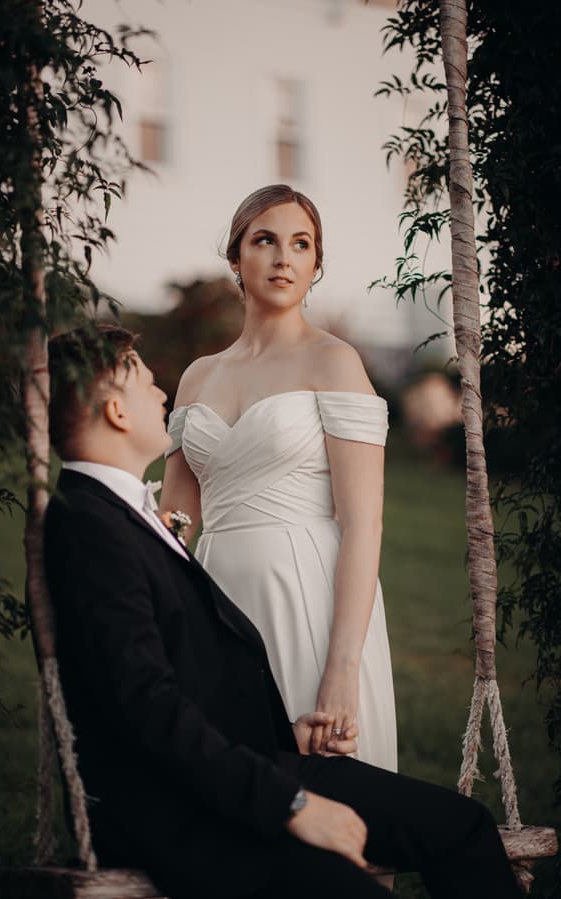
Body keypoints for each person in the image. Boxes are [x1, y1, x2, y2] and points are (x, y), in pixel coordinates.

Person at [44, 323, 521, 899]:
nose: (162, 393)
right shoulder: (89, 527)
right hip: (184, 812)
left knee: (462, 826)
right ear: (116, 410)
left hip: (250, 760)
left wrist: (286, 740)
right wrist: (291, 802)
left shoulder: (122, 515)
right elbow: (146, 705)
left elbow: (179, 673)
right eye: (146, 382)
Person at [161, 184, 396, 770]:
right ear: (236, 257)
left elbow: (363, 525)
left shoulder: (334, 361)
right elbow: (174, 526)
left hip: (308, 596)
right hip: (216, 595)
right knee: (225, 777)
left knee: (322, 782)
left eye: (301, 244)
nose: (283, 258)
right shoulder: (198, 376)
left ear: (316, 263)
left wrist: (341, 666)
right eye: (265, 240)